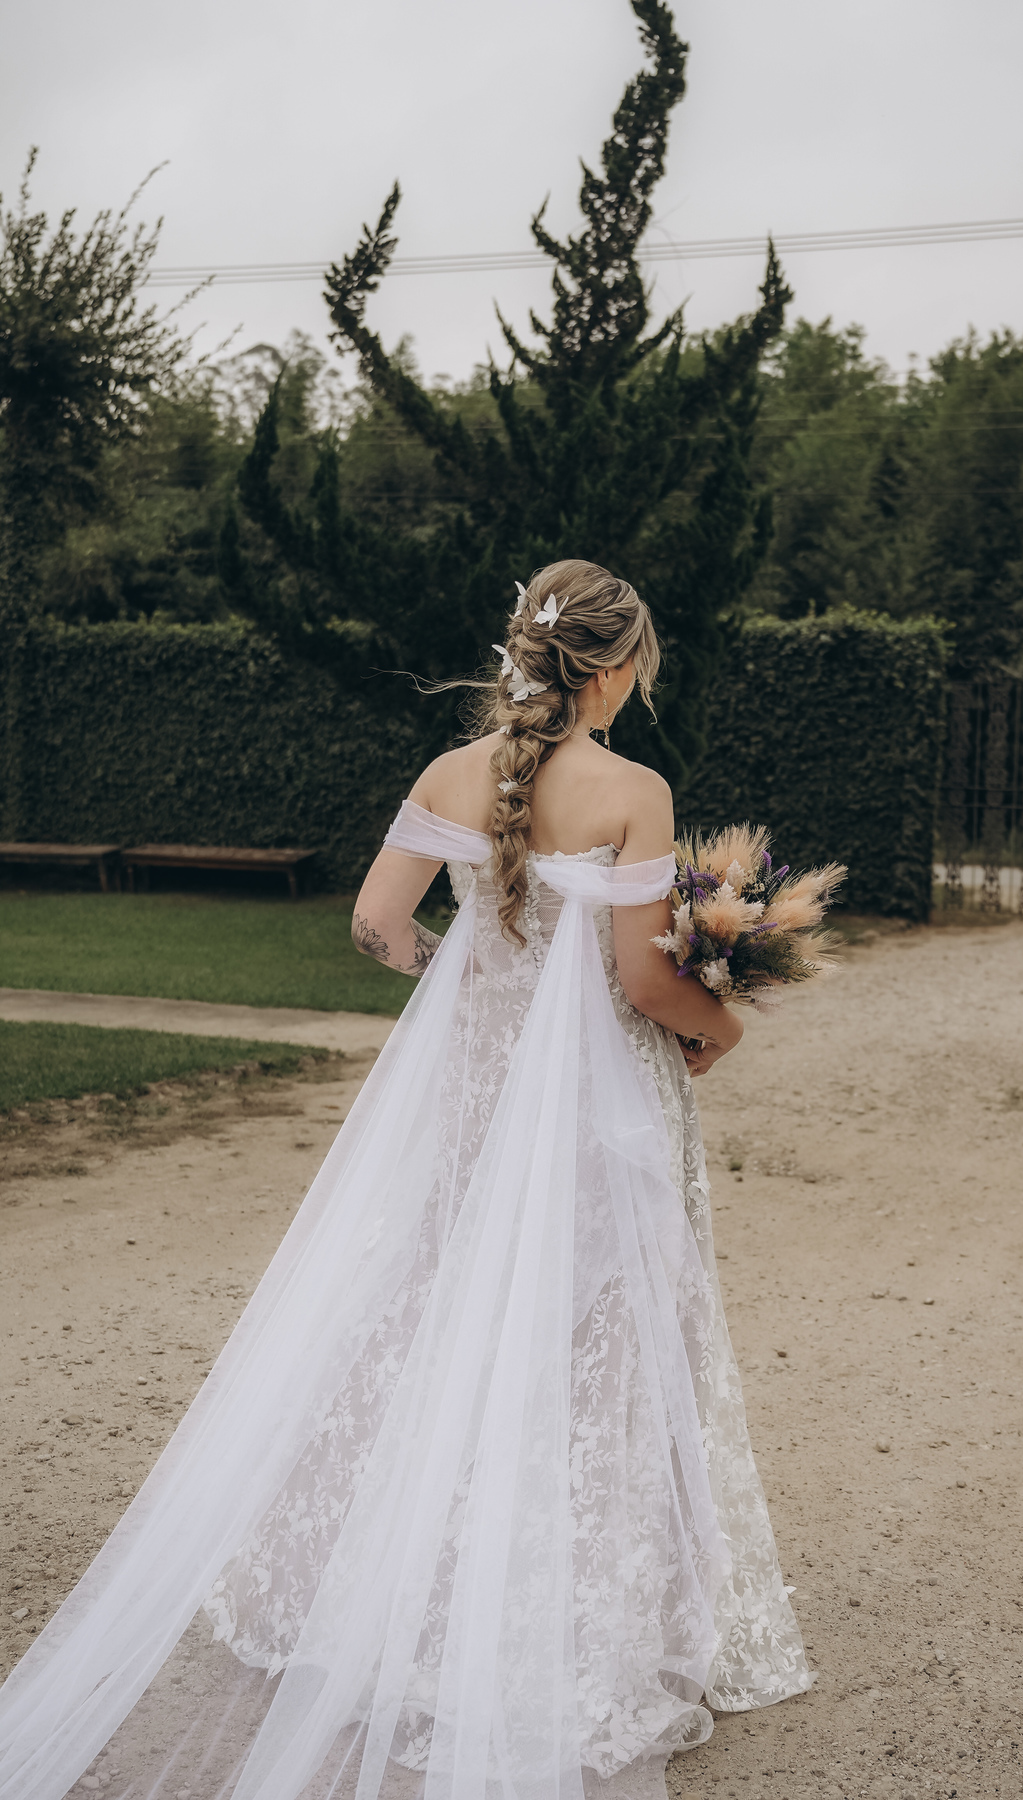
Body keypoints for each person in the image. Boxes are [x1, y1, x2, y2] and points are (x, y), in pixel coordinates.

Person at [0, 560, 810, 1800]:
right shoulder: (633, 791)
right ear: (609, 668)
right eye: (641, 663)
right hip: (595, 1105)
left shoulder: (447, 773)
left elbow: (379, 925)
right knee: (596, 1329)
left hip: (474, 1093)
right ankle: (562, 1612)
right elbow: (648, 980)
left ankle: (400, 1591)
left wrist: (472, 980)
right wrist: (724, 1026)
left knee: (446, 1308)